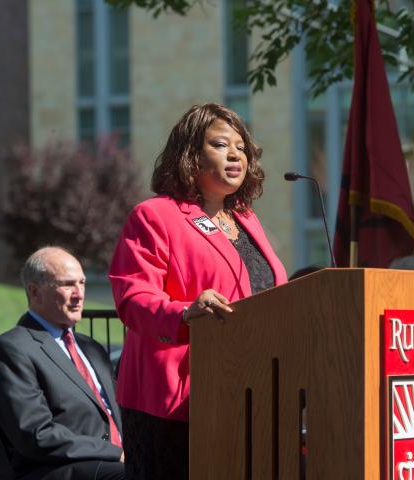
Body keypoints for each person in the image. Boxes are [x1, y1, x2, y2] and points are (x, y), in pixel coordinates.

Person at [109, 102, 288, 479]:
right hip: (175, 398)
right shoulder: (156, 215)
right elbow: (133, 296)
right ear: (191, 155)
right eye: (221, 145)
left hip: (247, 389)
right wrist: (185, 311)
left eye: (241, 146)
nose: (236, 154)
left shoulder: (246, 219)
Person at [0, 247, 125, 480]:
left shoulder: (91, 348)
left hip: (114, 462)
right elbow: (36, 435)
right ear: (35, 292)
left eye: (82, 283)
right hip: (57, 469)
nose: (79, 294)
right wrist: (115, 453)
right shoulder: (12, 349)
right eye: (67, 284)